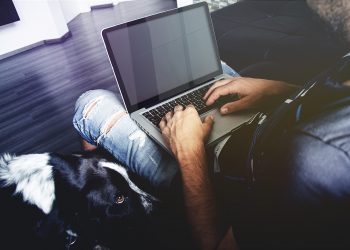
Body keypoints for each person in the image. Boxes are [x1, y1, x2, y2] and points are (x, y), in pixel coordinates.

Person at [73, 2, 350, 249]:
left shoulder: (314, 165)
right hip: (262, 123)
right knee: (207, 68)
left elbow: (215, 244)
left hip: (217, 172)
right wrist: (276, 90)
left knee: (90, 103)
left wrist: (190, 153)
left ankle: (100, 195)